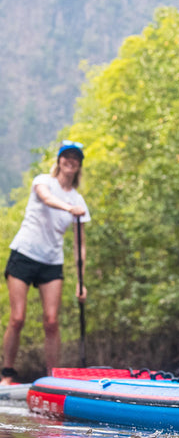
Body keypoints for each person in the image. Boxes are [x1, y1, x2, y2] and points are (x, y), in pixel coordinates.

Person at [1, 141, 90, 384]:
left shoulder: (79, 200)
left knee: (51, 321)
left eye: (75, 157)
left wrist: (81, 283)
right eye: (66, 156)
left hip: (51, 262)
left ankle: (52, 377)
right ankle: (7, 374)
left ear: (79, 164)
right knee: (17, 318)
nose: (70, 160)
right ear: (60, 160)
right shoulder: (43, 181)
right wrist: (70, 208)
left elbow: (79, 245)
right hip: (24, 254)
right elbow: (47, 199)